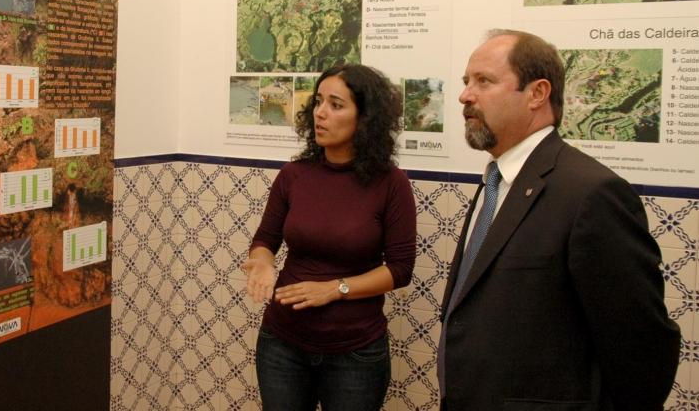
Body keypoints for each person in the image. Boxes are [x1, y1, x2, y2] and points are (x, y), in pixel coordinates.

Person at [438, 29, 680, 410]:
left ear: (537, 93)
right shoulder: (496, 180)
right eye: (467, 82)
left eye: (483, 81)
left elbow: (641, 347)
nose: (465, 95)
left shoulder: (591, 193)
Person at [243, 64, 417, 411]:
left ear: (365, 118)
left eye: (336, 105)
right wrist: (261, 263)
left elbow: (399, 270)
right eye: (319, 102)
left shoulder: (390, 183)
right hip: (282, 344)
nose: (320, 113)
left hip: (355, 353)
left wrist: (334, 289)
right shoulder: (294, 175)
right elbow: (265, 240)